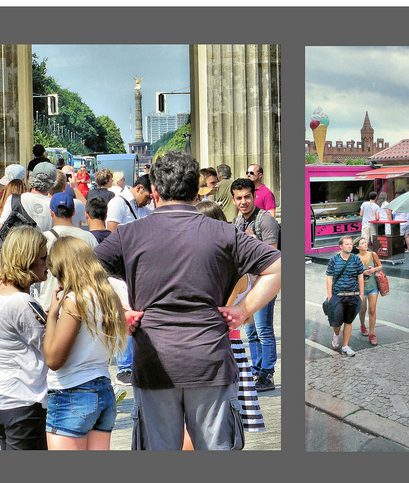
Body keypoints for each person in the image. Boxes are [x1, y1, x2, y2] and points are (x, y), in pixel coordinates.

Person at [93, 152, 281, 450]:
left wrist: (119, 313)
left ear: (154, 191)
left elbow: (81, 274)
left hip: (154, 362)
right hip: (210, 362)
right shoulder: (225, 233)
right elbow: (277, 266)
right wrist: (243, 310)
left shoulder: (129, 235)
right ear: (198, 192)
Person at [40, 237, 131, 450]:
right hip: (103, 389)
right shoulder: (106, 295)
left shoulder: (74, 300)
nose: (59, 284)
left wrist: (52, 316)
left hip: (72, 392)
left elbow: (53, 359)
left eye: (57, 276)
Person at [0, 227, 52, 450]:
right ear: (27, 261)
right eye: (43, 257)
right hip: (21, 402)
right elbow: (51, 350)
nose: (47, 262)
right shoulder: (22, 304)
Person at [232, 179, 279, 387]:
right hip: (246, 284)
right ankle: (257, 368)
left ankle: (267, 374)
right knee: (250, 331)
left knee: (263, 330)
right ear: (233, 200)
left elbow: (273, 256)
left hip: (262, 283)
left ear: (254, 196)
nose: (244, 201)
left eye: (247, 197)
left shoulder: (265, 220)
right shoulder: (237, 222)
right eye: (239, 198)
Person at [325, 237, 366, 356]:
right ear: (341, 246)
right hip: (338, 295)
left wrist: (361, 295)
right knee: (336, 322)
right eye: (347, 244)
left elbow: (360, 277)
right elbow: (329, 278)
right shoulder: (334, 260)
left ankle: (346, 346)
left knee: (348, 321)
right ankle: (336, 334)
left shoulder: (356, 259)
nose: (349, 246)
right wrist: (330, 296)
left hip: (352, 295)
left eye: (350, 244)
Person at [357, 230, 388, 347]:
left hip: (373, 286)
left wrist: (373, 270)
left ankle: (372, 334)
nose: (365, 244)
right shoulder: (355, 258)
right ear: (358, 247)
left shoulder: (373, 255)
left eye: (366, 243)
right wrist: (363, 272)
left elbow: (380, 265)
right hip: (361, 287)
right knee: (362, 310)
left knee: (372, 310)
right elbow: (353, 272)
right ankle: (362, 325)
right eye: (362, 243)